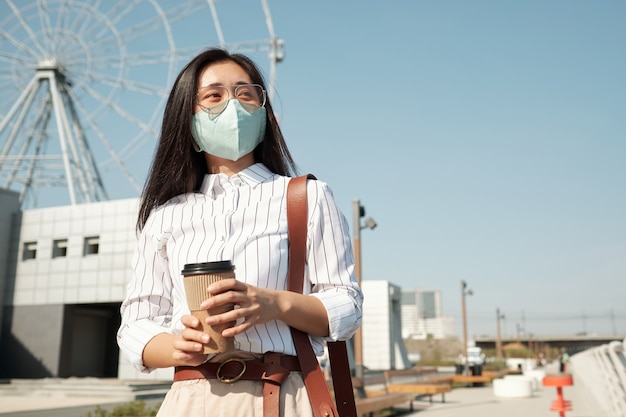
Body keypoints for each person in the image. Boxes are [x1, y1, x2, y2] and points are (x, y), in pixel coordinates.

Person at [116, 48, 363, 417]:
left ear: (264, 116)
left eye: (246, 94)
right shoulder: (165, 217)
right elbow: (136, 324)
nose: (232, 105)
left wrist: (275, 304)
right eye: (214, 95)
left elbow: (347, 304)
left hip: (281, 395)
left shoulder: (306, 197)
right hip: (190, 398)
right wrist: (176, 347)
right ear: (189, 122)